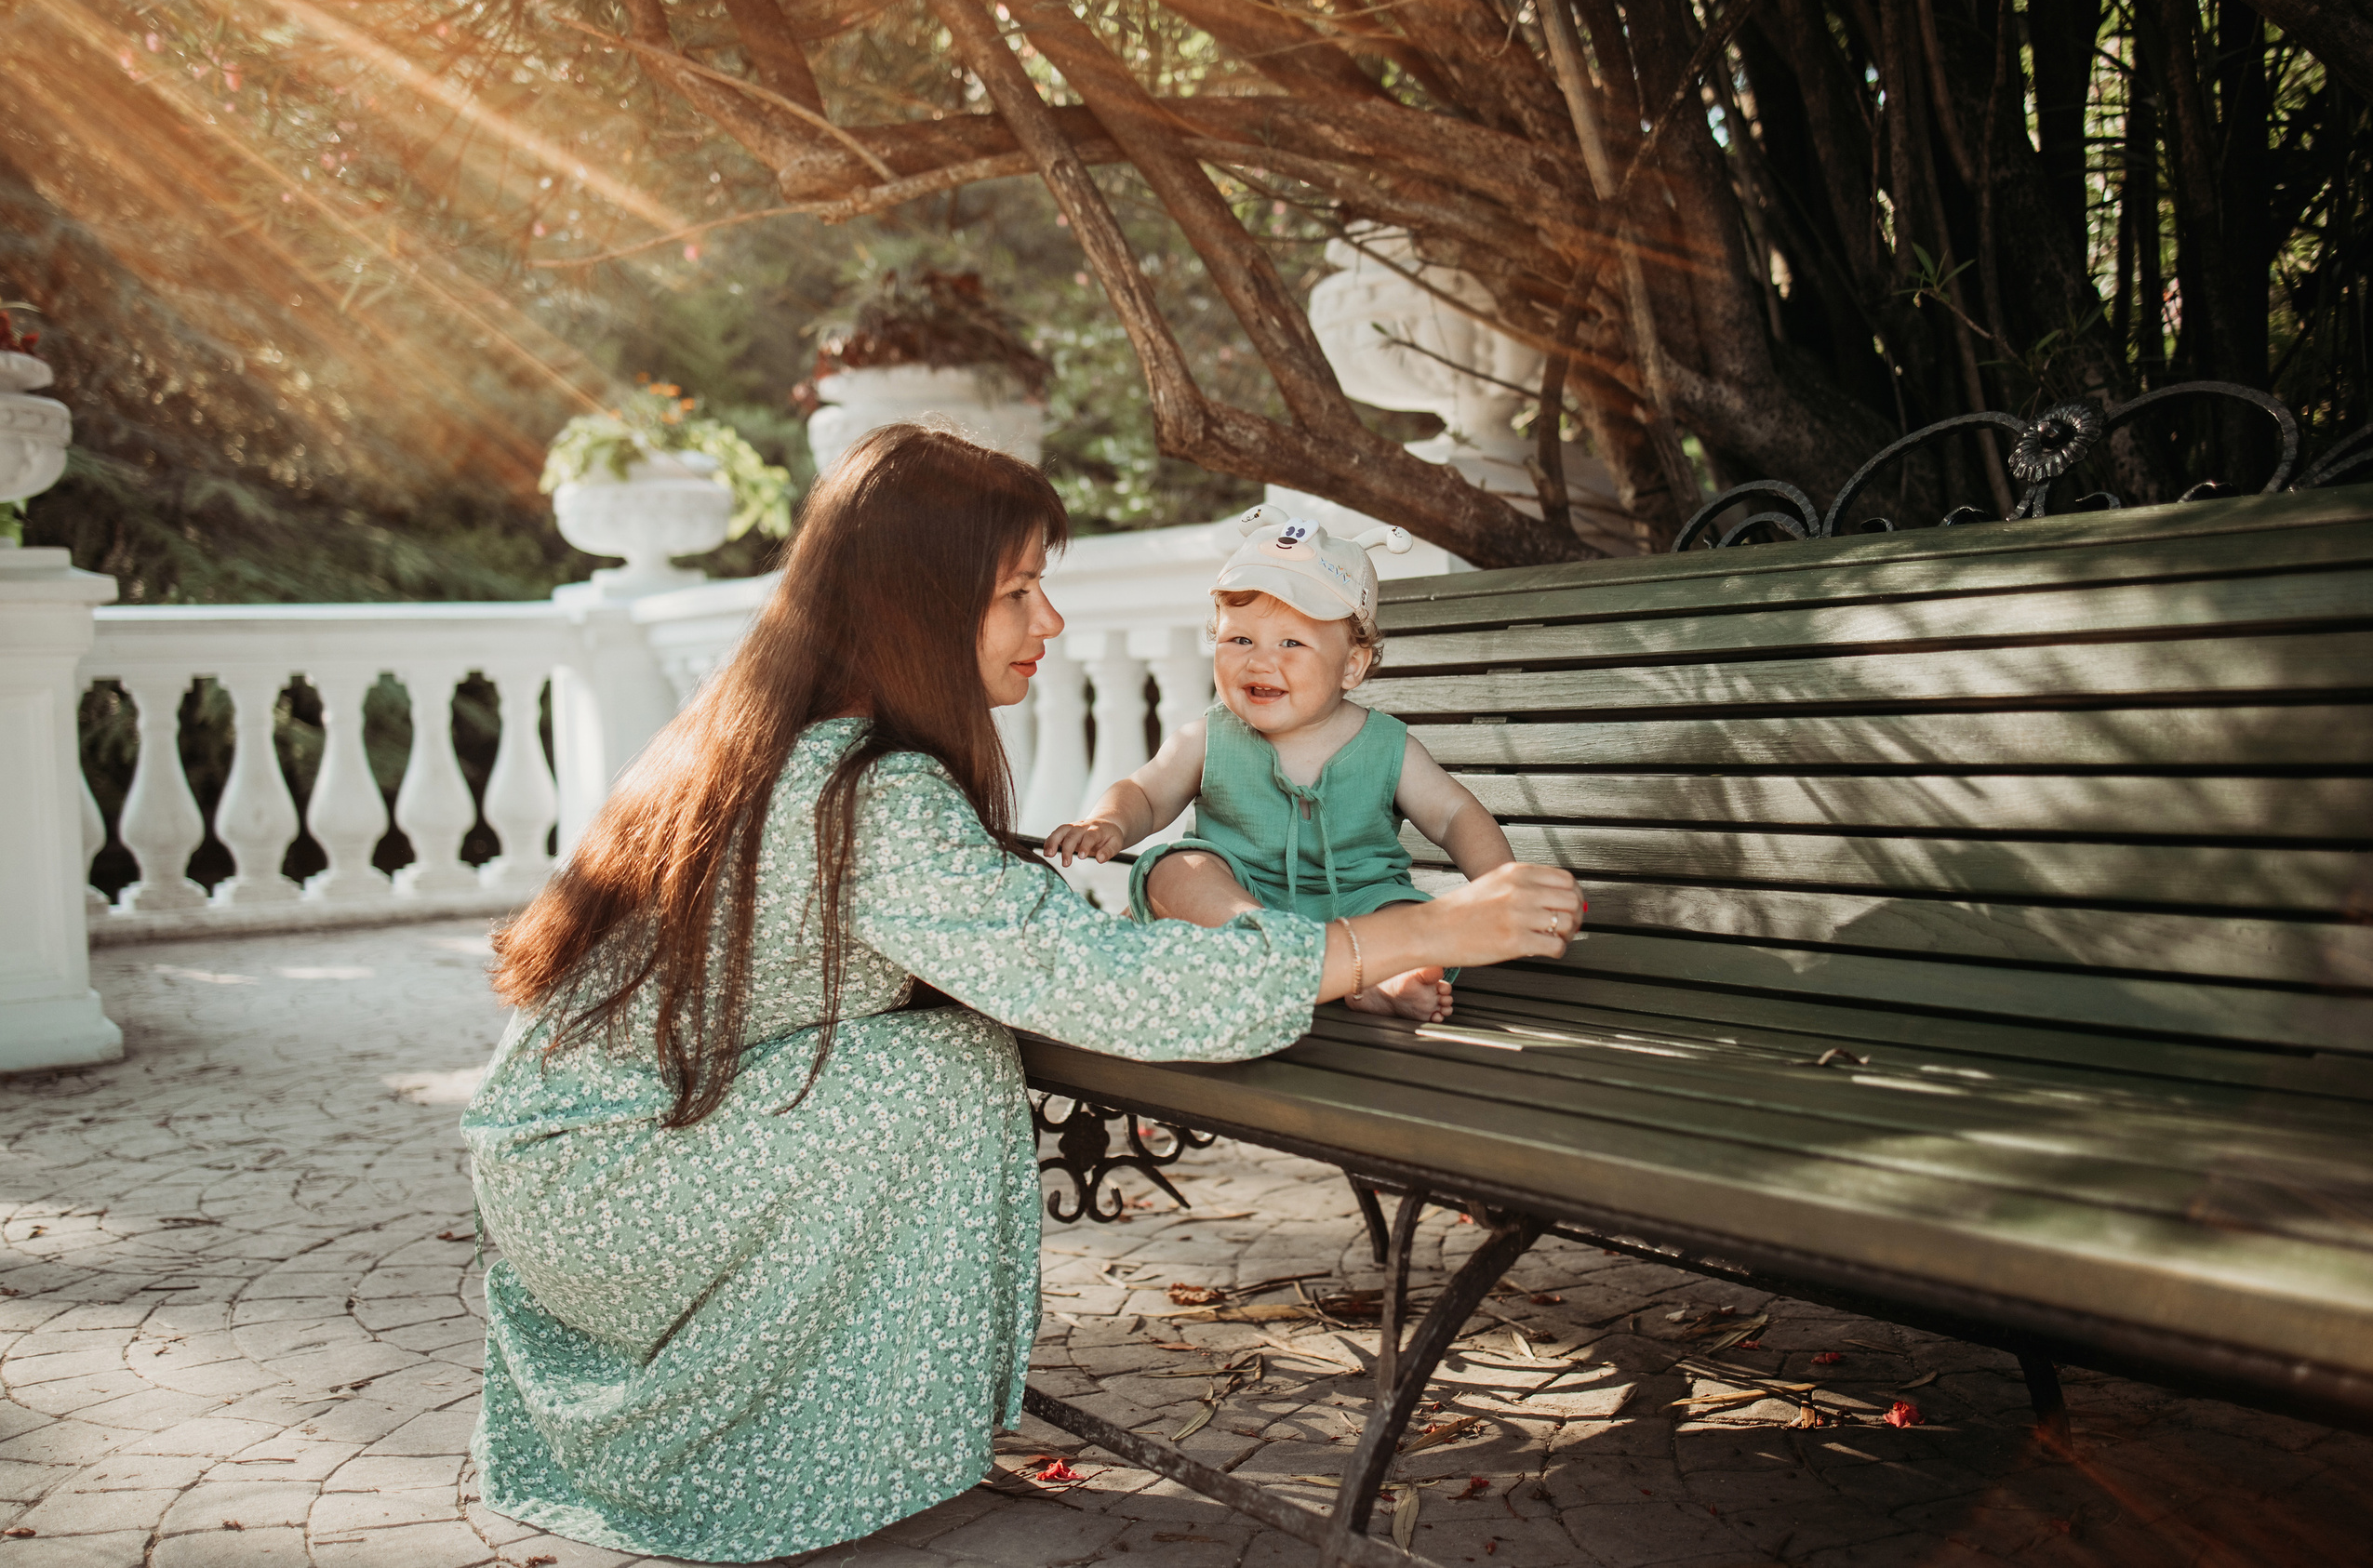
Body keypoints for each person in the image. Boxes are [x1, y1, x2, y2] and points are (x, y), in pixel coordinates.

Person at [463, 425, 1584, 1563]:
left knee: (940, 1043)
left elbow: (1033, 947)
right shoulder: (870, 790)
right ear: (920, 603)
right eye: (1018, 591)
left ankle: (886, 1431)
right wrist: (1421, 929)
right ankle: (815, 1454)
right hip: (605, 1193)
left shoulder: (779, 736)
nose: (1048, 623)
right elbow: (1099, 986)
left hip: (576, 1165)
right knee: (930, 1066)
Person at [1043, 507, 1521, 1021]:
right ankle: (1268, 948)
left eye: (1291, 643)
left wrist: (1502, 885)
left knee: (1404, 915)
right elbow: (1145, 791)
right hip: (1240, 907)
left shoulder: (1388, 746)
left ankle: (1387, 980)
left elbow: (1454, 816)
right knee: (1175, 869)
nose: (1260, 660)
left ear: (1352, 665)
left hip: (1357, 909)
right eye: (1239, 639)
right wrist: (1108, 821)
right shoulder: (1210, 736)